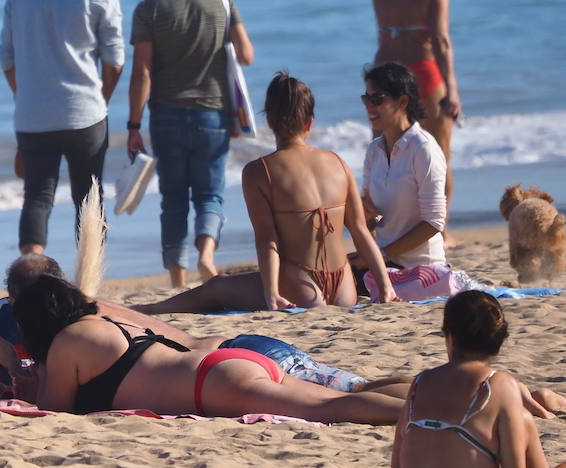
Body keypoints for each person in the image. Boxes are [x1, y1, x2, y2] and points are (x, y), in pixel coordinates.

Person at [135, 73, 398, 313]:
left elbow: (267, 240)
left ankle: (147, 311)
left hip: (300, 285)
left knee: (216, 287)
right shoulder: (338, 163)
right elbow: (361, 231)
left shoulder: (260, 171)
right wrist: (385, 287)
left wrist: (271, 293)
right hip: (344, 288)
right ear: (309, 122)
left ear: (270, 120)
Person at [8, 272, 404, 423]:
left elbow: (54, 410)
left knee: (330, 409)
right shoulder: (107, 321)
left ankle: (426, 418)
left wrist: (16, 371)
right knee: (346, 394)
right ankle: (436, 396)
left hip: (213, 385)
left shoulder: (66, 342)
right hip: (225, 362)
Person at [126, 0, 253, 288]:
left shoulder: (149, 10)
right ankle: (207, 255)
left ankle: (178, 277)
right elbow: (246, 54)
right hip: (213, 115)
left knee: (174, 199)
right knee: (210, 193)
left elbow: (142, 72)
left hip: (167, 115)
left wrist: (134, 124)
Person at [392, 291, 566, 468]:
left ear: (450, 336)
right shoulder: (499, 384)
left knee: (525, 420)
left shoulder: (420, 383)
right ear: (498, 340)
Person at [0, 0, 125, 255]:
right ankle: (88, 282)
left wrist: (25, 95)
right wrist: (103, 98)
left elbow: (6, 59)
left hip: (32, 115)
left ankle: (30, 279)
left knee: (37, 197)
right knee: (88, 200)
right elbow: (114, 61)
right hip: (85, 111)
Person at [372, 0, 460, 221]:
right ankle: (440, 230)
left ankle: (384, 227)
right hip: (424, 70)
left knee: (383, 153)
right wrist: (452, 89)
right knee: (438, 154)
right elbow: (441, 41)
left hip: (385, 73)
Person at [352, 62, 447, 278]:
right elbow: (373, 218)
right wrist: (362, 216)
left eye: (377, 100)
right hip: (385, 261)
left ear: (402, 101)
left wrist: (381, 255)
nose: (369, 107)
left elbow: (434, 222)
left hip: (421, 269)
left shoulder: (423, 148)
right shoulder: (374, 149)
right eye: (366, 99)